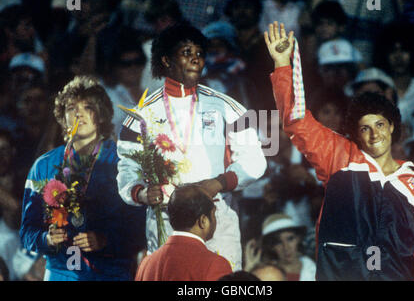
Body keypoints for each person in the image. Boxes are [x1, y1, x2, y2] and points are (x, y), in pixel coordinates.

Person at [264, 22, 414, 281]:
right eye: (365, 128)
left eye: (380, 125)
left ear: (393, 127)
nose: (375, 135)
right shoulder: (339, 157)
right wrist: (283, 64)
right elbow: (296, 120)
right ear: (356, 133)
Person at [117, 24, 267, 270]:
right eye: (187, 52)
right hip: (166, 219)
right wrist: (142, 193)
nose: (196, 59)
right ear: (166, 60)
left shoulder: (227, 106)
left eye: (199, 53)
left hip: (216, 215)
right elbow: (127, 167)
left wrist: (218, 183)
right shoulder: (141, 115)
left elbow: (256, 160)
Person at [20, 76, 146, 281]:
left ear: (102, 115)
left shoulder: (123, 162)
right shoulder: (43, 166)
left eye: (88, 107)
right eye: (71, 108)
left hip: (109, 273)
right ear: (63, 117)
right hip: (60, 274)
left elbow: (140, 229)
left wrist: (106, 240)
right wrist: (46, 238)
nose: (78, 113)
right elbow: (27, 232)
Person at [135, 184, 232, 281]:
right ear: (203, 221)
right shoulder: (215, 265)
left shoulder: (146, 264)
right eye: (214, 214)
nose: (216, 221)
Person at [245, 213, 316, 281]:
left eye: (290, 239)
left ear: (298, 238)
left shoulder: (313, 268)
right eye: (278, 242)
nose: (286, 247)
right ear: (271, 246)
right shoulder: (265, 273)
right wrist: (248, 274)